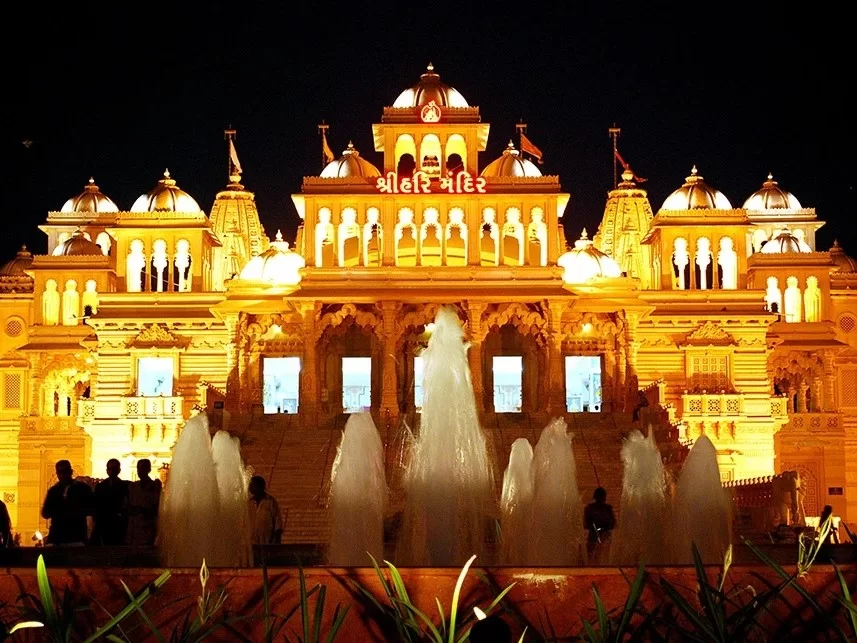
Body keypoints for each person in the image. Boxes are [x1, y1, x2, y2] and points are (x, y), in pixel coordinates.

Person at [41, 460, 94, 546]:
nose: (62, 475)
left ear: (70, 472)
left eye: (64, 472)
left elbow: (91, 509)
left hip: (76, 537)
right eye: (59, 472)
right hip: (58, 537)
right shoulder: (54, 491)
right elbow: (45, 513)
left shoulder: (82, 489)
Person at [91, 459, 130, 545]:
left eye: (114, 468)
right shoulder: (100, 486)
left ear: (119, 470)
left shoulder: (125, 486)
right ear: (107, 470)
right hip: (103, 524)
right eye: (110, 469)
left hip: (118, 525)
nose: (112, 471)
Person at [125, 459, 162, 547]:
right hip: (134, 529)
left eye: (143, 468)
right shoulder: (132, 487)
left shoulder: (155, 487)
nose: (140, 471)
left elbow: (156, 507)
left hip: (148, 528)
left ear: (148, 470)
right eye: (138, 468)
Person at [248, 475, 283, 545]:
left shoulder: (271, 502)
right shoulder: (248, 503)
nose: (250, 488)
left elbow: (278, 524)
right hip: (251, 544)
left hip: (267, 544)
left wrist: (275, 543)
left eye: (253, 485)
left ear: (261, 487)